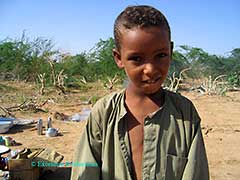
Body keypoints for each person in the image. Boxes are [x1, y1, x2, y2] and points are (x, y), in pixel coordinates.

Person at [71, 5, 209, 180]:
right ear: (119, 58)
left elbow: (196, 173)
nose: (150, 69)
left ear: (171, 51)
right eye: (136, 59)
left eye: (160, 55)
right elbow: (85, 170)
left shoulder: (185, 114)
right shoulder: (104, 113)